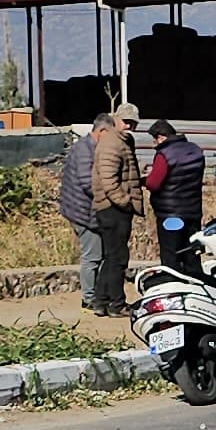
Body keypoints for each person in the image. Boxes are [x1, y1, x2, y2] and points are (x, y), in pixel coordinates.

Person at [86, 105, 145, 313]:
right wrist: (125, 201)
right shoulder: (112, 143)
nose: (129, 125)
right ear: (116, 120)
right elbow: (108, 179)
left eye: (133, 122)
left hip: (113, 207)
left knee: (112, 257)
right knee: (118, 258)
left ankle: (101, 303)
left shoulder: (123, 141)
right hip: (113, 209)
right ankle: (116, 304)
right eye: (126, 121)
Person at [57, 111, 108, 311]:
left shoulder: (87, 147)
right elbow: (88, 184)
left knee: (96, 255)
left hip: (81, 208)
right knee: (92, 257)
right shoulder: (85, 150)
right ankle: (88, 297)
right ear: (101, 131)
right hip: (83, 211)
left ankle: (93, 295)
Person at [144, 118, 208, 275]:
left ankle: (174, 288)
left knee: (171, 257)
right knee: (191, 254)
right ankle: (198, 288)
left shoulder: (164, 154)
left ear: (161, 137)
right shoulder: (196, 150)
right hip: (193, 212)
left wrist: (143, 180)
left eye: (155, 139)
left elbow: (154, 183)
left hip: (170, 214)